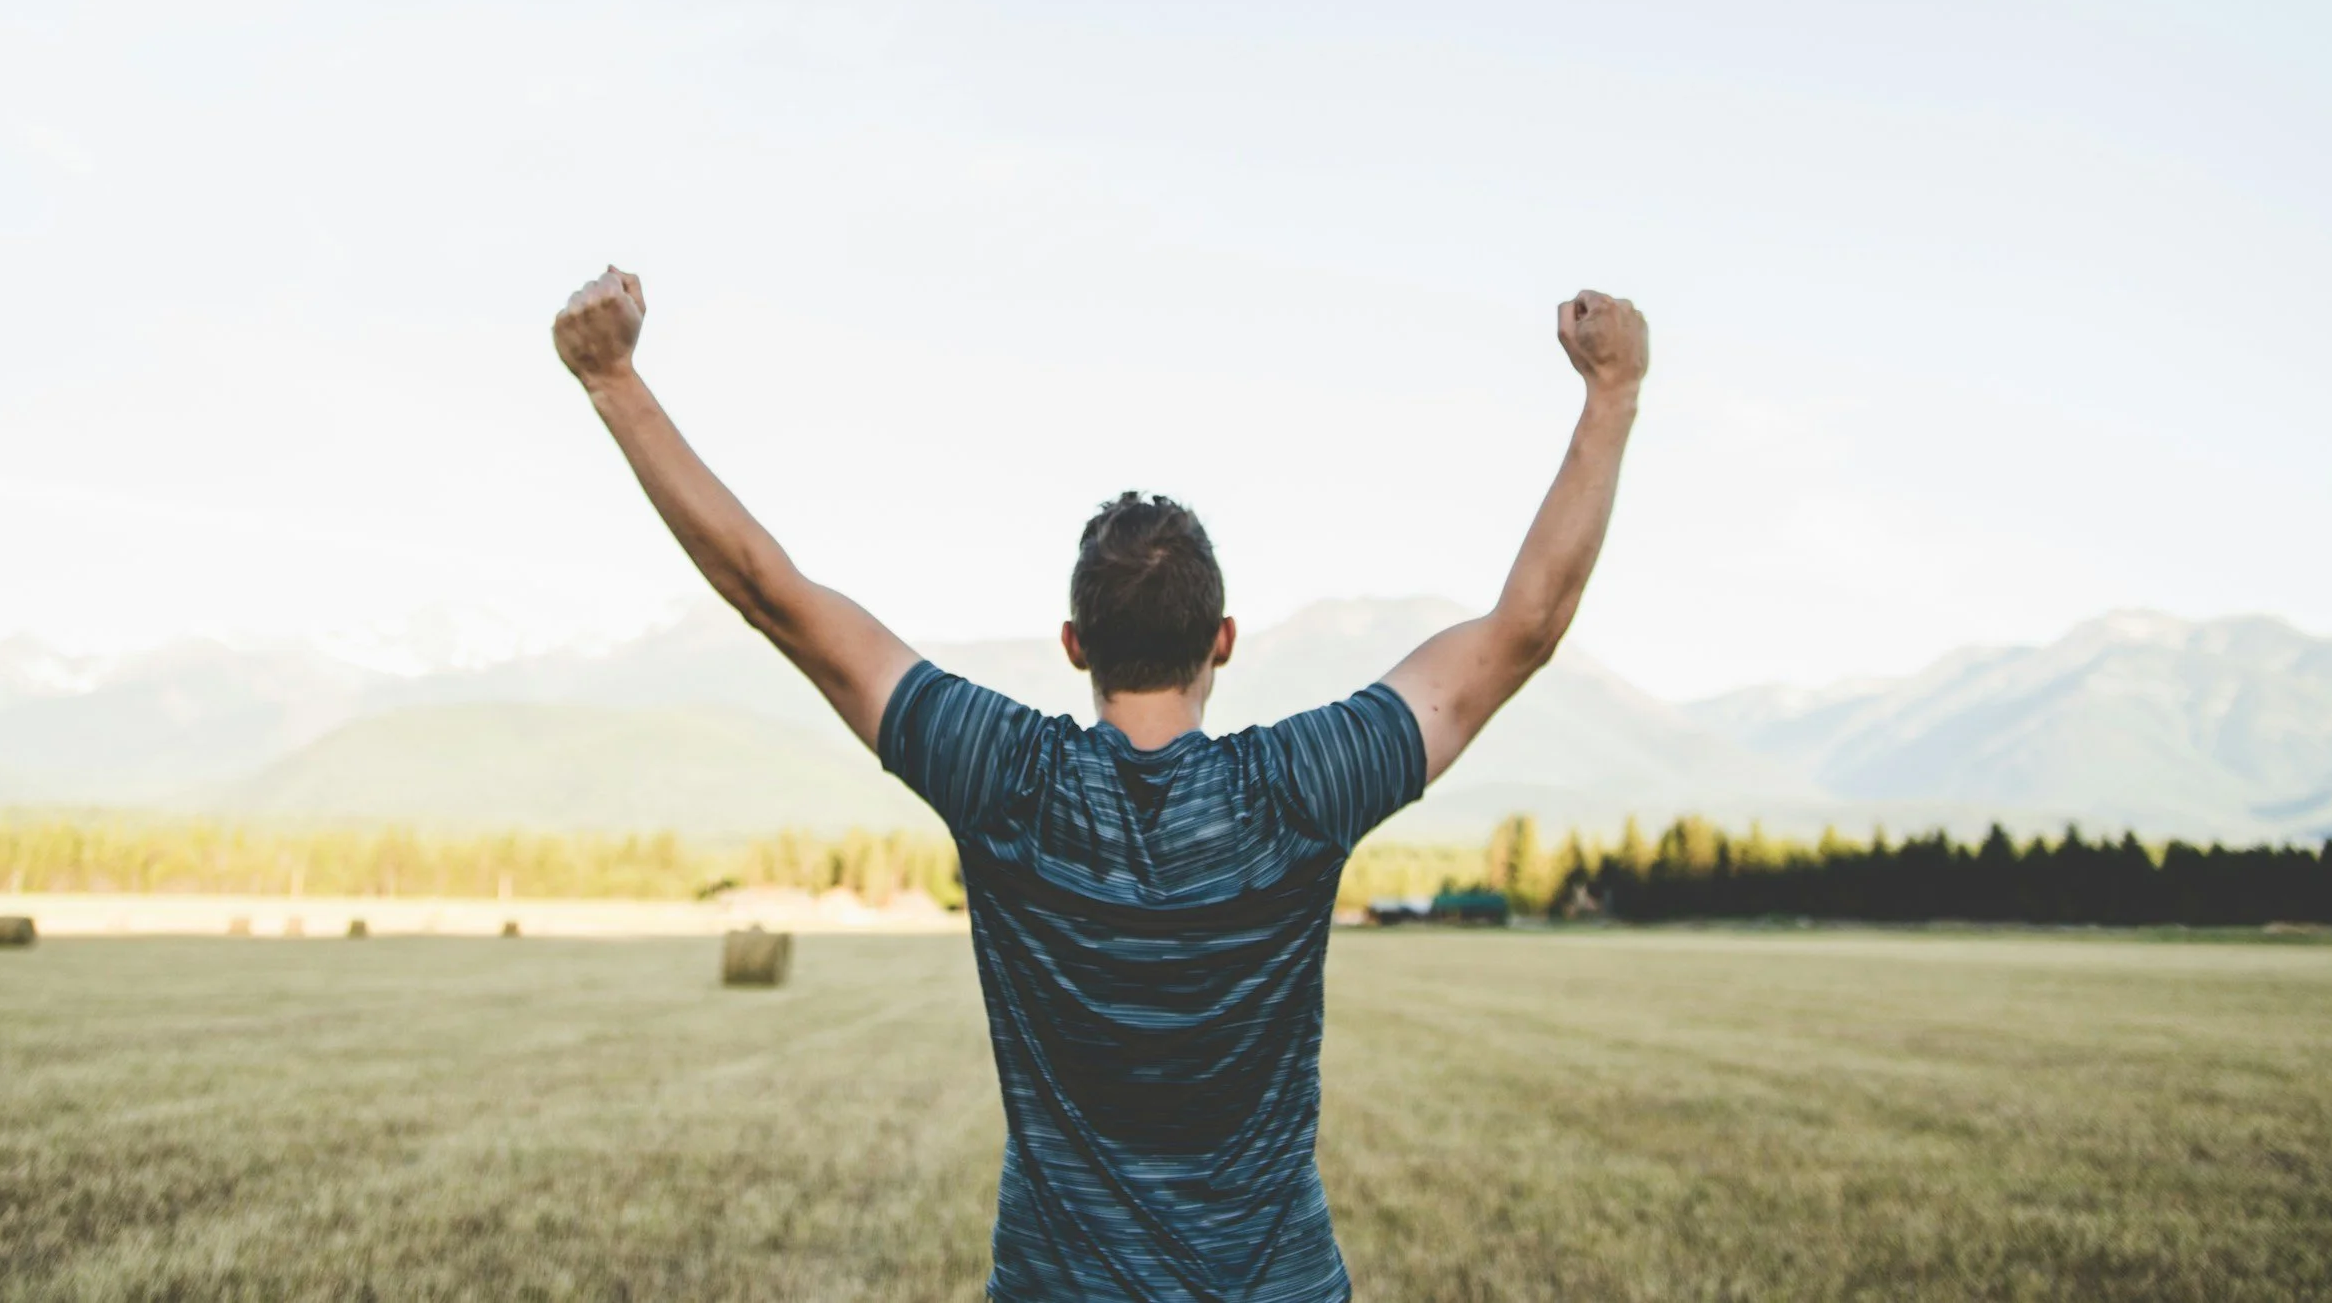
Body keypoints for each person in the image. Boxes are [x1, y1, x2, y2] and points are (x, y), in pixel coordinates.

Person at [553, 267, 1648, 1303]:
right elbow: (1525, 628)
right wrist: (1611, 391)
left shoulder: (1005, 778)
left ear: (1075, 641)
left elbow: (771, 594)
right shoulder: (1302, 787)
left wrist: (615, 381)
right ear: (1221, 636)